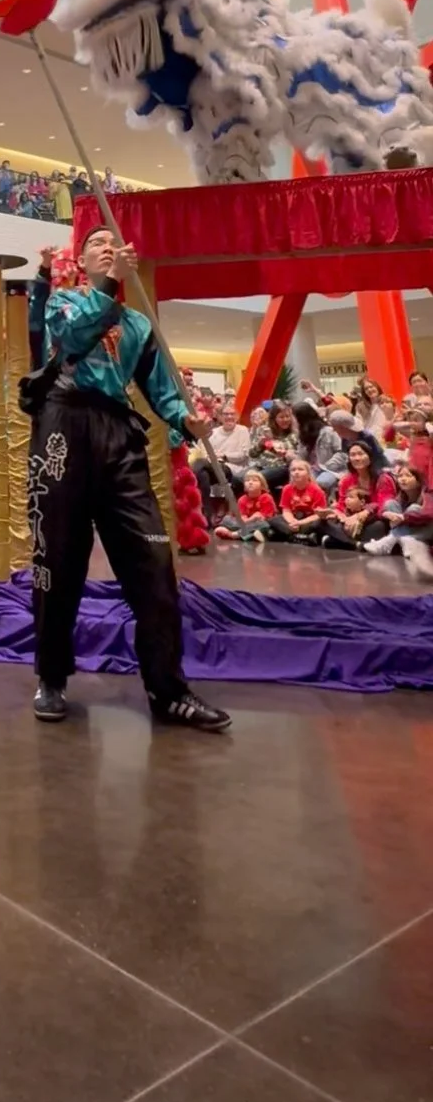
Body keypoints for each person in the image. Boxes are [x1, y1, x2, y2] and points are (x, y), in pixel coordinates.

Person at [29, 227, 230, 731]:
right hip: (64, 427)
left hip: (120, 436)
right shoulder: (64, 303)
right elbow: (74, 338)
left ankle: (168, 690)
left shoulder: (139, 324)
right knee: (57, 559)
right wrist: (108, 289)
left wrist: (187, 420)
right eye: (96, 242)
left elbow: (162, 390)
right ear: (82, 259)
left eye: (111, 241)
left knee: (155, 563)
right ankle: (51, 676)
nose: (106, 246)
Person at [320, 440, 396, 548]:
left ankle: (341, 541)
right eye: (353, 455)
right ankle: (356, 544)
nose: (356, 458)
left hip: (372, 520)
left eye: (360, 454)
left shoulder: (383, 479)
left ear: (370, 457)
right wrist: (338, 514)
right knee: (323, 522)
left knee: (379, 526)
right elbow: (341, 504)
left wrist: (360, 515)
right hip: (349, 520)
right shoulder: (346, 480)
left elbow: (383, 504)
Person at [215, 468, 278, 542]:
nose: (250, 482)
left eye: (255, 480)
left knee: (264, 525)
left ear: (262, 485)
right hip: (247, 523)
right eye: (247, 480)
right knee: (227, 519)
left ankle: (234, 534)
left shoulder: (266, 497)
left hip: (262, 525)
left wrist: (251, 520)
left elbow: (265, 518)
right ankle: (247, 534)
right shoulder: (242, 500)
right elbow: (242, 518)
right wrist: (251, 519)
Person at [279, 459, 329, 542]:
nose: (296, 472)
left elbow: (318, 515)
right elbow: (286, 510)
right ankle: (302, 537)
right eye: (293, 470)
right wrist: (292, 521)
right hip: (293, 519)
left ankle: (291, 536)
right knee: (274, 520)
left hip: (308, 520)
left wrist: (300, 523)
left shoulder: (317, 490)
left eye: (300, 469)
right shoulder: (287, 489)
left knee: (319, 523)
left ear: (308, 474)